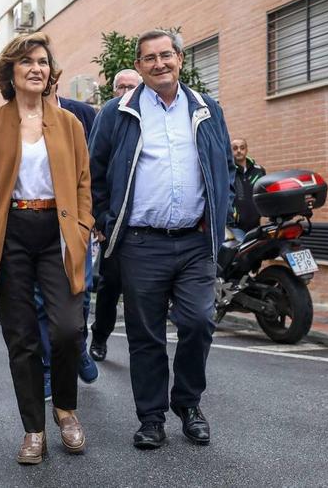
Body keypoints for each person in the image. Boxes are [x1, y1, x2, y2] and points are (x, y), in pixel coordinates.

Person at [89, 29, 234, 449]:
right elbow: (94, 170)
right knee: (145, 334)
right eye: (149, 58)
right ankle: (151, 418)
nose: (159, 64)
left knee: (199, 322)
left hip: (195, 240)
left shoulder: (208, 110)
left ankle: (188, 404)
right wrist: (103, 217)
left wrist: (218, 217)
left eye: (165, 55)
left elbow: (222, 164)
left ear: (180, 59)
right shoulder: (117, 112)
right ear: (139, 66)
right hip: (141, 242)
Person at [0, 32, 92, 464]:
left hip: (57, 233)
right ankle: (33, 430)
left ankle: (65, 409)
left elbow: (82, 183)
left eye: (42, 61)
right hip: (11, 233)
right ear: (11, 73)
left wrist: (82, 225)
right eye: (27, 63)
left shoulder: (70, 124)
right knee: (21, 337)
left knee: (67, 329)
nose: (36, 68)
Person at [35, 85, 98, 398]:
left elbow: (93, 168)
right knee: (40, 302)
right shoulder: (17, 118)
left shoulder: (81, 114)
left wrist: (88, 220)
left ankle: (79, 347)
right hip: (35, 224)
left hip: (73, 225)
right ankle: (49, 368)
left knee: (80, 295)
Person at [89, 69, 142, 363]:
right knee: (110, 286)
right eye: (120, 86)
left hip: (148, 227)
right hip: (116, 224)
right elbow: (94, 167)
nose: (125, 91)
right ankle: (99, 336)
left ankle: (143, 349)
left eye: (131, 86)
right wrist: (101, 218)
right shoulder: (108, 116)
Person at [231, 138, 266, 238]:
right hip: (235, 226)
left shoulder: (259, 171)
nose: (239, 151)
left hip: (255, 224)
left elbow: (263, 194)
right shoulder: (227, 171)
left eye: (242, 147)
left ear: (246, 150)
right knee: (242, 252)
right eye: (235, 148)